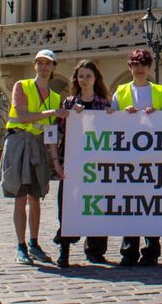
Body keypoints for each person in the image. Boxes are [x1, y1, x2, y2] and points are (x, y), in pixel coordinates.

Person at [0, 49, 66, 266]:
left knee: (36, 197)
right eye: (40, 63)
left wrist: (56, 162)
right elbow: (22, 115)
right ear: (34, 65)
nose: (44, 67)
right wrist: (51, 113)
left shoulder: (55, 97)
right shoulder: (22, 86)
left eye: (48, 64)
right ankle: (21, 246)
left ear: (54, 67)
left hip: (38, 145)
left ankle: (34, 243)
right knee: (20, 196)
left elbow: (50, 135)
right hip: (19, 142)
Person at [111, 49, 162, 267]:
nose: (139, 67)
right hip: (128, 155)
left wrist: (159, 115)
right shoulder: (120, 92)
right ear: (129, 67)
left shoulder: (160, 92)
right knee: (130, 203)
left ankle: (151, 249)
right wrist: (122, 115)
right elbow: (111, 119)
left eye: (143, 63)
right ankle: (129, 249)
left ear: (149, 66)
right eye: (135, 63)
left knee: (151, 203)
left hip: (153, 155)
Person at [55, 59, 112, 267]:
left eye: (88, 76)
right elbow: (58, 131)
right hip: (72, 161)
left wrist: (113, 117)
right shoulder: (69, 103)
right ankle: (65, 249)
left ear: (95, 79)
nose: (84, 80)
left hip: (96, 162)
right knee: (68, 204)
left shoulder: (104, 104)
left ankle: (96, 249)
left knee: (97, 203)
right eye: (81, 76)